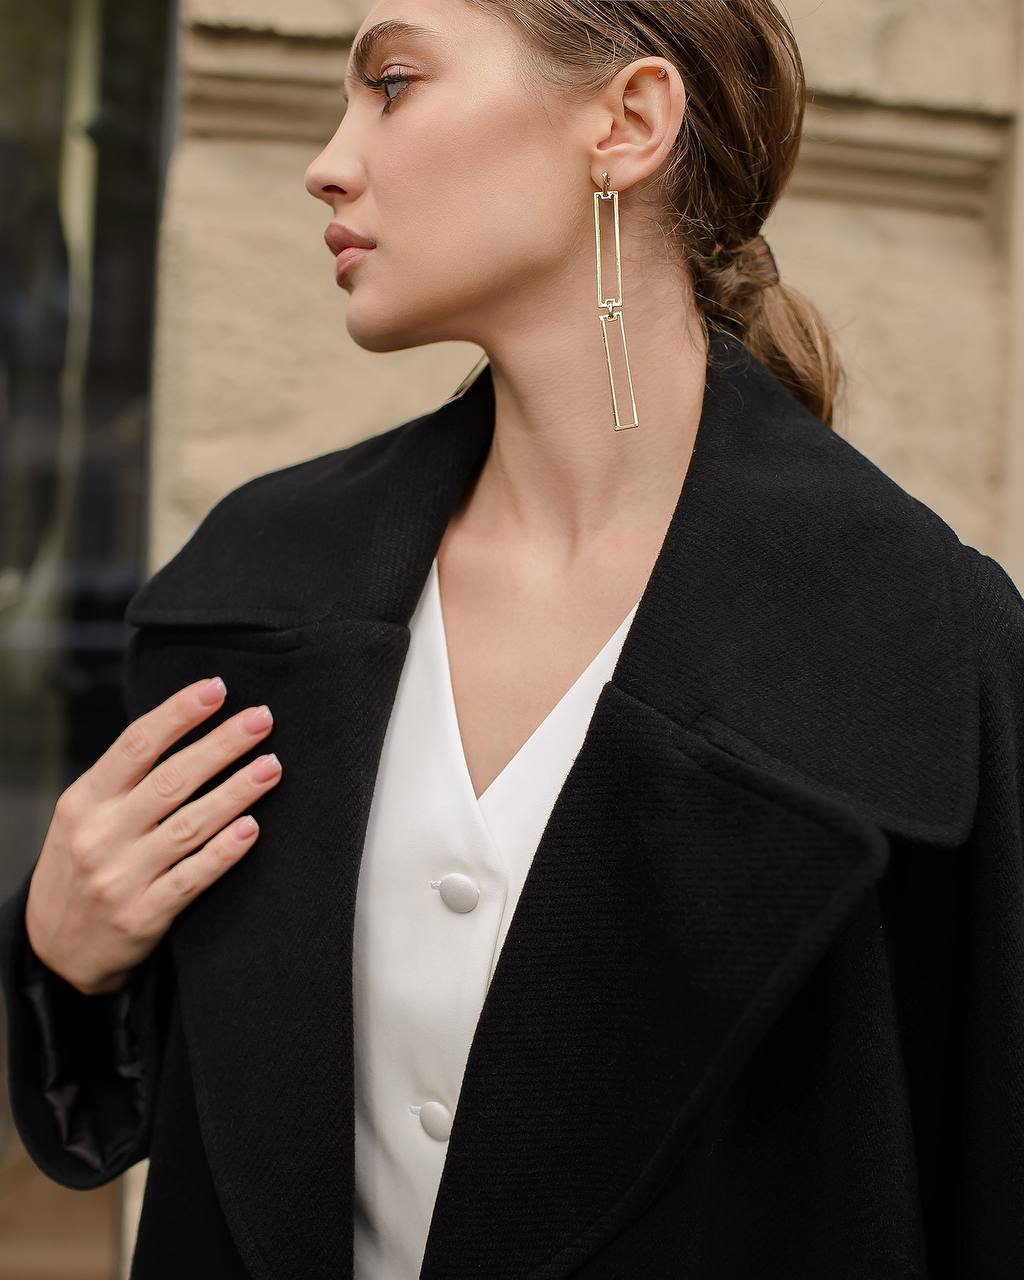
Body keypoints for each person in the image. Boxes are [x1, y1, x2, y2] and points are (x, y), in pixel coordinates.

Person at [2, 2, 1023, 1277]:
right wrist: (66, 956)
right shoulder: (256, 587)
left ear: (627, 121)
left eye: (392, 82)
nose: (327, 161)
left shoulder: (925, 652)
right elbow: (190, 1128)